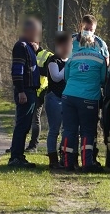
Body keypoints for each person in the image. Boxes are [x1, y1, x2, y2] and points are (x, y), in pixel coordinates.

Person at [61, 27, 107, 173]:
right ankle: (87, 163)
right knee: (87, 132)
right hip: (89, 98)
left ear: (79, 43)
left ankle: (67, 162)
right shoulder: (99, 59)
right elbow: (103, 79)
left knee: (69, 130)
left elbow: (66, 77)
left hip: (69, 97)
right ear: (93, 43)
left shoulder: (72, 58)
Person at [8, 18, 42, 168]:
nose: (38, 34)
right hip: (26, 90)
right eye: (36, 31)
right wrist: (21, 91)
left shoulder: (28, 47)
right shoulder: (21, 46)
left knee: (26, 125)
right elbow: (17, 70)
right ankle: (15, 157)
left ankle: (20, 155)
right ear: (28, 31)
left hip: (30, 90)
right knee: (22, 125)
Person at [44, 32, 72, 169]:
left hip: (66, 98)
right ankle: (52, 159)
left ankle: (64, 156)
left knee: (66, 130)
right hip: (54, 97)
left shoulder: (70, 60)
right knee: (54, 129)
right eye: (67, 45)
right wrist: (68, 67)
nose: (69, 48)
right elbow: (56, 77)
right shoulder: (53, 61)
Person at [25, 47, 53, 152]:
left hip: (39, 92)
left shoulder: (47, 55)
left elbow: (49, 73)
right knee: (22, 120)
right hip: (27, 91)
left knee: (35, 120)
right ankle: (18, 145)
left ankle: (33, 145)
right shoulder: (26, 52)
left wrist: (34, 69)